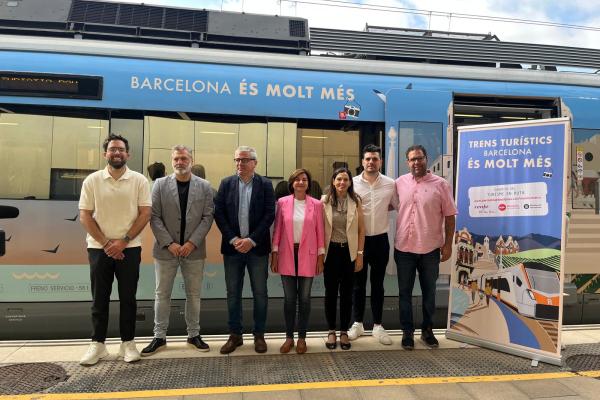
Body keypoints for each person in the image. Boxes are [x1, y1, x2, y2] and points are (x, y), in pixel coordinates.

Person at [78, 133, 151, 365]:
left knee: (128, 297)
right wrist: (108, 244)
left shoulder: (139, 180)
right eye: (112, 149)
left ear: (127, 154)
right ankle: (97, 345)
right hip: (99, 249)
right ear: (105, 154)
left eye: (120, 149)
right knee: (99, 297)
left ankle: (127, 344)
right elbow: (85, 216)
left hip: (130, 248)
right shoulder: (92, 180)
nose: (117, 153)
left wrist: (124, 241)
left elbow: (145, 214)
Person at [142, 145, 214, 356]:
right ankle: (159, 336)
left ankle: (193, 334)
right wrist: (169, 243)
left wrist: (192, 243)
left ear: (191, 160)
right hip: (166, 251)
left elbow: (208, 217)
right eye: (176, 159)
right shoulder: (160, 185)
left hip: (194, 250)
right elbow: (154, 216)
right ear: (172, 161)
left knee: (194, 295)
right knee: (162, 294)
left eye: (184, 158)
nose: (180, 162)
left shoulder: (205, 186)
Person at [394, 144, 456, 350]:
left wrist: (448, 244)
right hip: (404, 248)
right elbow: (381, 204)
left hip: (430, 249)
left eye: (419, 158)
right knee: (404, 293)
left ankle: (427, 331)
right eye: (412, 159)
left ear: (426, 159)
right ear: (407, 162)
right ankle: (407, 333)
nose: (416, 162)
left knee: (429, 292)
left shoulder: (441, 185)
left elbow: (449, 216)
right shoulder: (399, 183)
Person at [214, 146, 275, 354]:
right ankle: (235, 335)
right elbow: (219, 213)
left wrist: (251, 240)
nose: (240, 164)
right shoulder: (226, 184)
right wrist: (233, 239)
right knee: (233, 293)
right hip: (232, 249)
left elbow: (269, 215)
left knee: (260, 293)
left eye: (244, 160)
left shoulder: (265, 184)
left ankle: (259, 335)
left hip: (256, 249)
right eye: (237, 160)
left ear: (254, 163)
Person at [271, 169, 325, 354]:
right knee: (289, 299)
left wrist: (320, 256)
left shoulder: (317, 205)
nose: (301, 182)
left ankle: (302, 337)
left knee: (304, 299)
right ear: (292, 183)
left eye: (304, 180)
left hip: (308, 256)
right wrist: (275, 253)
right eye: (297, 180)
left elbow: (320, 232)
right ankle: (288, 338)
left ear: (308, 183)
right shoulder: (283, 203)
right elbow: (277, 229)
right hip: (287, 253)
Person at [349, 144, 398, 345]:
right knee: (358, 285)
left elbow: (395, 204)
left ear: (381, 161)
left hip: (380, 240)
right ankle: (358, 324)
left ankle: (378, 325)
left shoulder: (390, 184)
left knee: (378, 284)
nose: (371, 162)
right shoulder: (352, 183)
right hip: (358, 240)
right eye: (368, 158)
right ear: (362, 161)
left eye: (375, 159)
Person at [322, 167, 365, 350]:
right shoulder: (324, 201)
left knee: (347, 294)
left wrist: (360, 255)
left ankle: (344, 332)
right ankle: (331, 330)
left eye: (345, 179)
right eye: (339, 179)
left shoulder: (356, 201)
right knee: (330, 293)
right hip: (330, 252)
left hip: (349, 252)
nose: (342, 182)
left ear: (350, 182)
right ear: (333, 181)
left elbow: (362, 230)